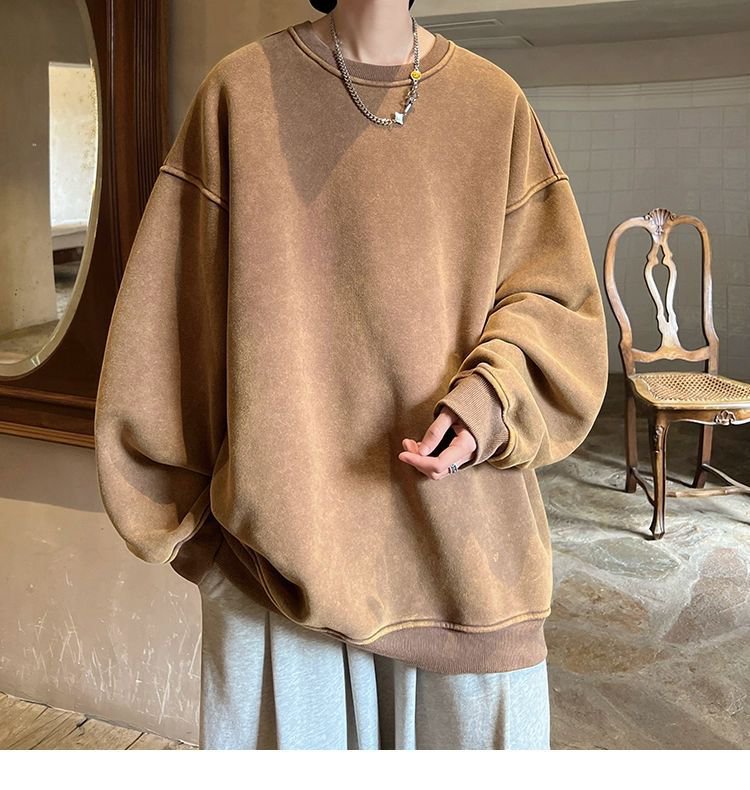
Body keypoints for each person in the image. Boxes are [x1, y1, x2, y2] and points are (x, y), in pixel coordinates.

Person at [94, 0, 609, 750]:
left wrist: (490, 401)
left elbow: (561, 308)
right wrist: (206, 547)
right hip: (278, 586)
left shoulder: (495, 104)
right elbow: (167, 336)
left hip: (470, 574)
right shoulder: (240, 95)